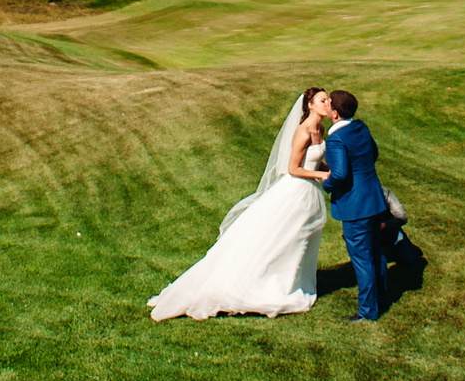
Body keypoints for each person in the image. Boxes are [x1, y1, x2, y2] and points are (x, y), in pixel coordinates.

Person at [148, 88, 333, 320]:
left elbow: (313, 161)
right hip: (296, 191)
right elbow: (293, 168)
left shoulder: (320, 129)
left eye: (327, 100)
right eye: (322, 100)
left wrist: (330, 170)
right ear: (310, 105)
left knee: (298, 239)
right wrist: (321, 176)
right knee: (285, 237)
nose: (327, 103)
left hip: (309, 193)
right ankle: (268, 285)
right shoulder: (303, 131)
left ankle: (292, 283)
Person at [320, 89, 394, 321]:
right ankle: (381, 299)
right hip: (374, 199)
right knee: (375, 253)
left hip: (356, 206)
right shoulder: (361, 127)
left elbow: (339, 173)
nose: (326, 105)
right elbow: (374, 153)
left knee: (362, 259)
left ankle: (367, 310)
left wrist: (326, 184)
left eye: (328, 103)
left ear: (335, 113)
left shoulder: (336, 139)